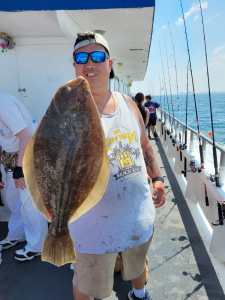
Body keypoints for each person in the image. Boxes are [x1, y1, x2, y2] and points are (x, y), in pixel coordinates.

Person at [69, 32, 166, 300]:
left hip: (137, 218)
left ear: (109, 64)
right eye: (81, 57)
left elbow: (144, 146)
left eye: (98, 56)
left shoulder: (129, 104)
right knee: (88, 285)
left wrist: (157, 178)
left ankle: (139, 293)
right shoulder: (68, 110)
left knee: (137, 265)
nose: (90, 63)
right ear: (74, 65)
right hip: (92, 230)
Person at [0, 91, 48, 261]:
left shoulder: (3, 103)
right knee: (13, 200)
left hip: (27, 155)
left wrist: (20, 170)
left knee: (29, 203)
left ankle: (37, 246)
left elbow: (26, 136)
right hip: (10, 157)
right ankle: (16, 234)